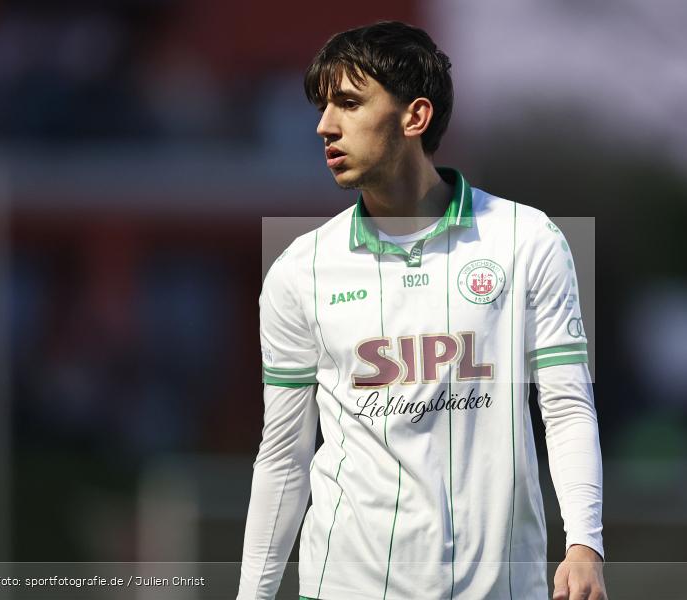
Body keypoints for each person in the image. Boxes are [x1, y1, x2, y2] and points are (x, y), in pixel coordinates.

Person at [237, 21, 606, 600]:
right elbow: (284, 455)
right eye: (323, 107)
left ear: (415, 117)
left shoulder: (529, 239)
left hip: (501, 588)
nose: (324, 126)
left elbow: (566, 407)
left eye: (349, 103)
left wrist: (584, 544)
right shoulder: (298, 269)